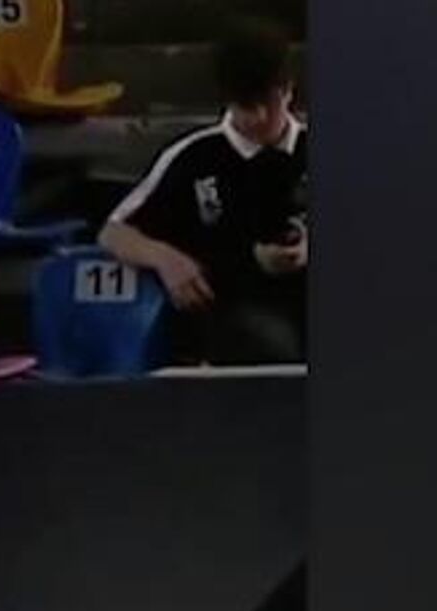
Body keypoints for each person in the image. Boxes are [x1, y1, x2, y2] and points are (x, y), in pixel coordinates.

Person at [99, 17, 308, 364]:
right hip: (236, 315)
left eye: (267, 103)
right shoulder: (193, 157)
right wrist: (165, 259)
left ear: (287, 90)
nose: (257, 117)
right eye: (245, 105)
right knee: (265, 344)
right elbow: (113, 232)